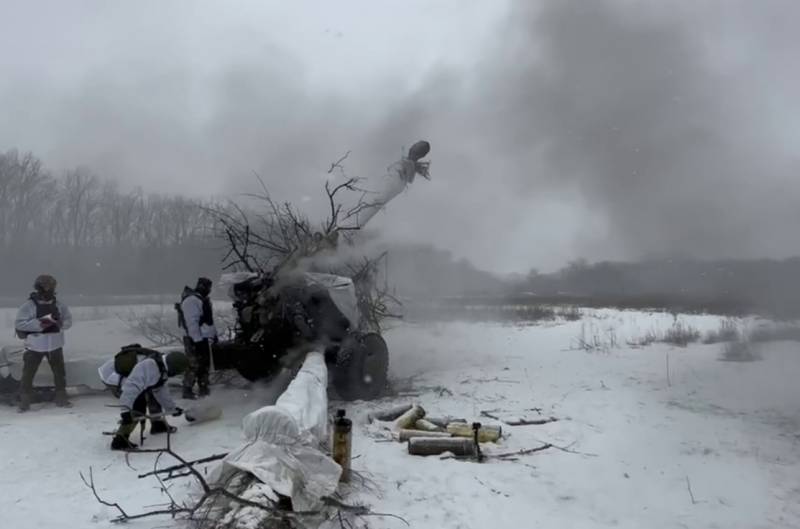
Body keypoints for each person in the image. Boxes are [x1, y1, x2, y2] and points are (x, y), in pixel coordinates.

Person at [99, 346, 188, 450]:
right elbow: (130, 389)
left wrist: (171, 408)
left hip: (132, 378)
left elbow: (160, 389)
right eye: (176, 372)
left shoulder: (161, 367)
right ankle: (120, 440)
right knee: (137, 408)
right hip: (113, 375)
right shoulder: (149, 367)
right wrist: (125, 410)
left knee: (153, 394)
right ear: (172, 368)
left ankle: (157, 425)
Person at [14, 274, 73, 412]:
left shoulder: (59, 305)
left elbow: (68, 321)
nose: (48, 288)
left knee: (59, 373)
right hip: (34, 345)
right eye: (45, 285)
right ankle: (24, 401)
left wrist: (60, 323)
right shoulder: (28, 306)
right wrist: (42, 323)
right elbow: (20, 324)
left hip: (55, 345)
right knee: (28, 374)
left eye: (51, 286)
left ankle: (61, 398)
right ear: (38, 287)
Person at [177, 277, 217, 399]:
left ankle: (203, 388)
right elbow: (192, 323)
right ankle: (187, 389)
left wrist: (213, 335)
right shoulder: (191, 300)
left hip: (202, 337)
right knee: (194, 364)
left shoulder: (201, 300)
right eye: (207, 287)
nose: (208, 290)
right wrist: (197, 340)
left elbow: (208, 321)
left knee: (204, 364)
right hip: (193, 338)